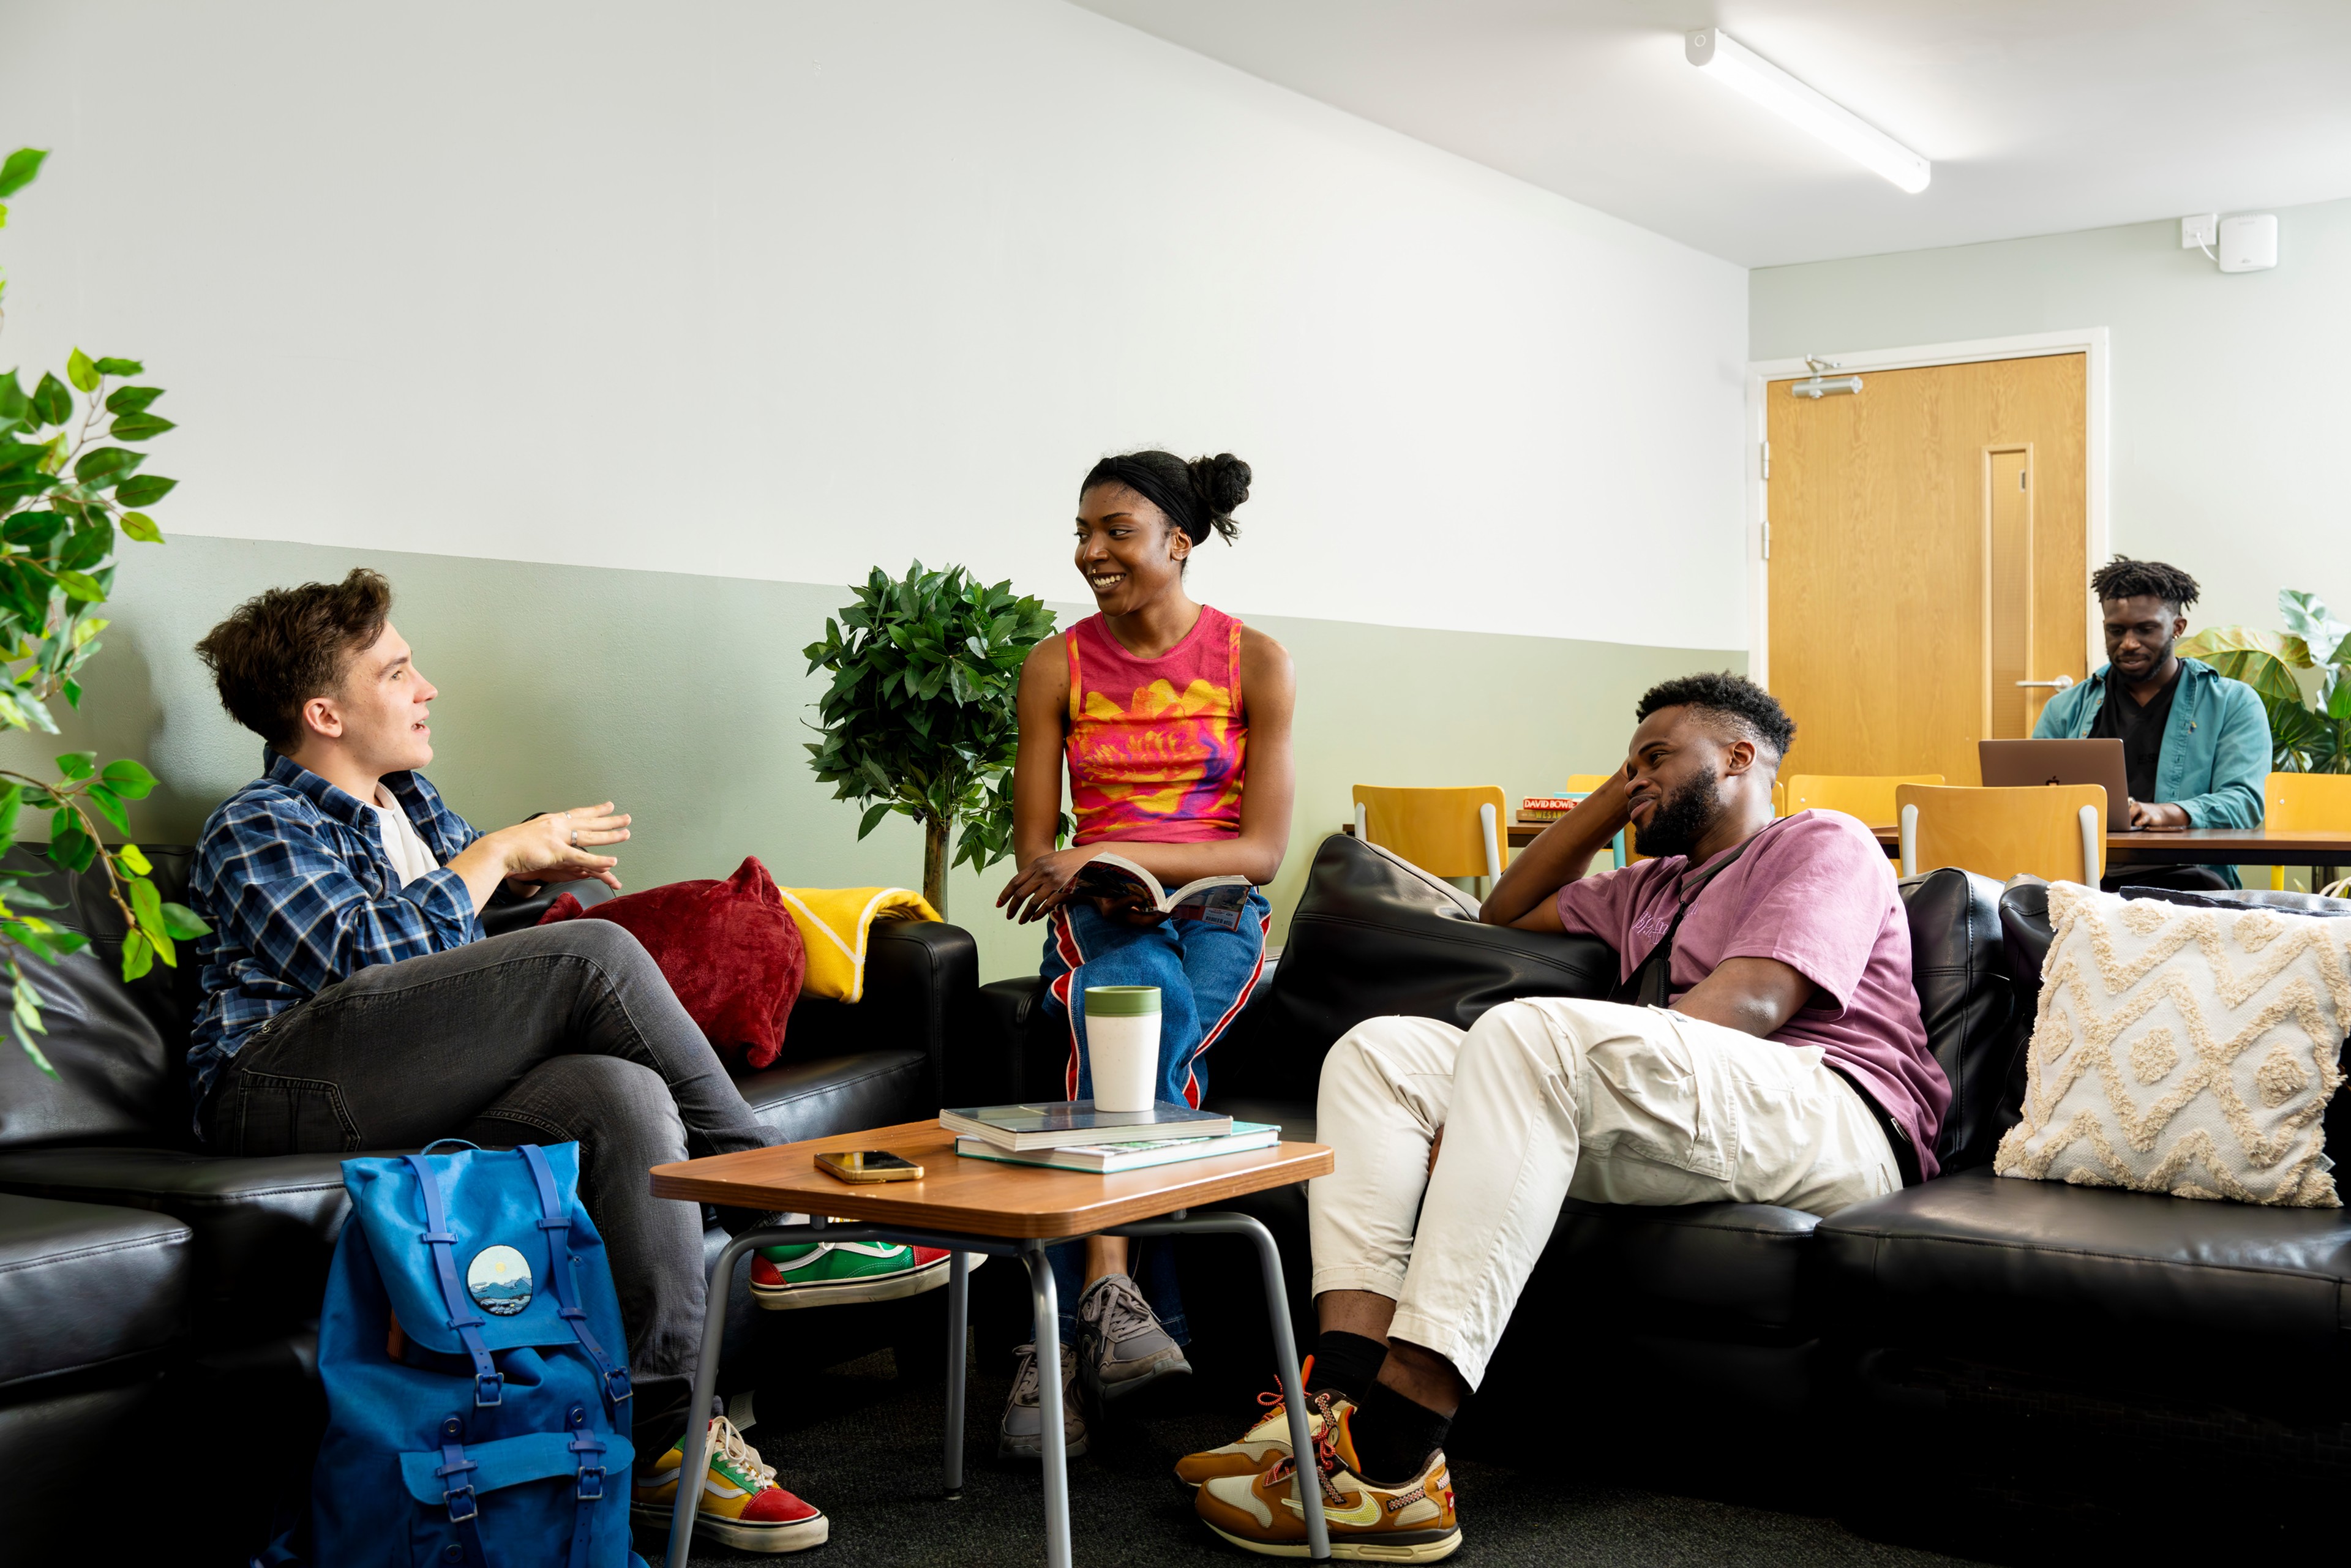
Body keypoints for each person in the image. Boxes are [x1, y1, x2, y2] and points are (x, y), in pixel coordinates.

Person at [188, 569, 915, 1555]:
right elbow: (360, 962)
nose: (426, 687)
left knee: (621, 1091)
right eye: (398, 671)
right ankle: (780, 1217)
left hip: (400, 1081)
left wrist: (529, 884)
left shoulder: (414, 807)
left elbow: (461, 977)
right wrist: (494, 857)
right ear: (324, 712)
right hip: (280, 1088)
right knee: (597, 959)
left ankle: (663, 1438)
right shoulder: (255, 827)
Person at [1180, 673, 1948, 1561]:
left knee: (1527, 1033)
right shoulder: (1648, 888)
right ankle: (1338, 1401)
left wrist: (1484, 1108)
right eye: (1629, 765)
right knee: (1379, 1052)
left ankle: (1395, 1462)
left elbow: (1752, 1004)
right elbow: (1503, 907)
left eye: (1658, 758)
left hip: (1832, 1108)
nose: (1638, 779)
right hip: (1691, 1113)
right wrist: (1606, 804)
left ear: (1741, 759)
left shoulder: (1823, 842)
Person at [993, 449, 1297, 1460]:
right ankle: (1116, 1308)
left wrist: (1122, 850)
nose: (1091, 552)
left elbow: (1260, 851)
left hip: (1218, 912)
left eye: (1115, 531)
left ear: (1181, 540)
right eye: (1082, 532)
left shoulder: (1254, 660)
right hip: (1102, 912)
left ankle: (1068, 1344)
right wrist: (1091, 870)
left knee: (1141, 1043)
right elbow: (1042, 851)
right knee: (1142, 1020)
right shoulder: (1057, 662)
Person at [2030, 556, 2268, 891]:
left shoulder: (2232, 703)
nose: (2128, 643)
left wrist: (2168, 812)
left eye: (2145, 629)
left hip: (2185, 879)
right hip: (2079, 879)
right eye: (2116, 630)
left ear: (2177, 628)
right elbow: (2026, 799)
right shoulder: (2064, 709)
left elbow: (2245, 802)